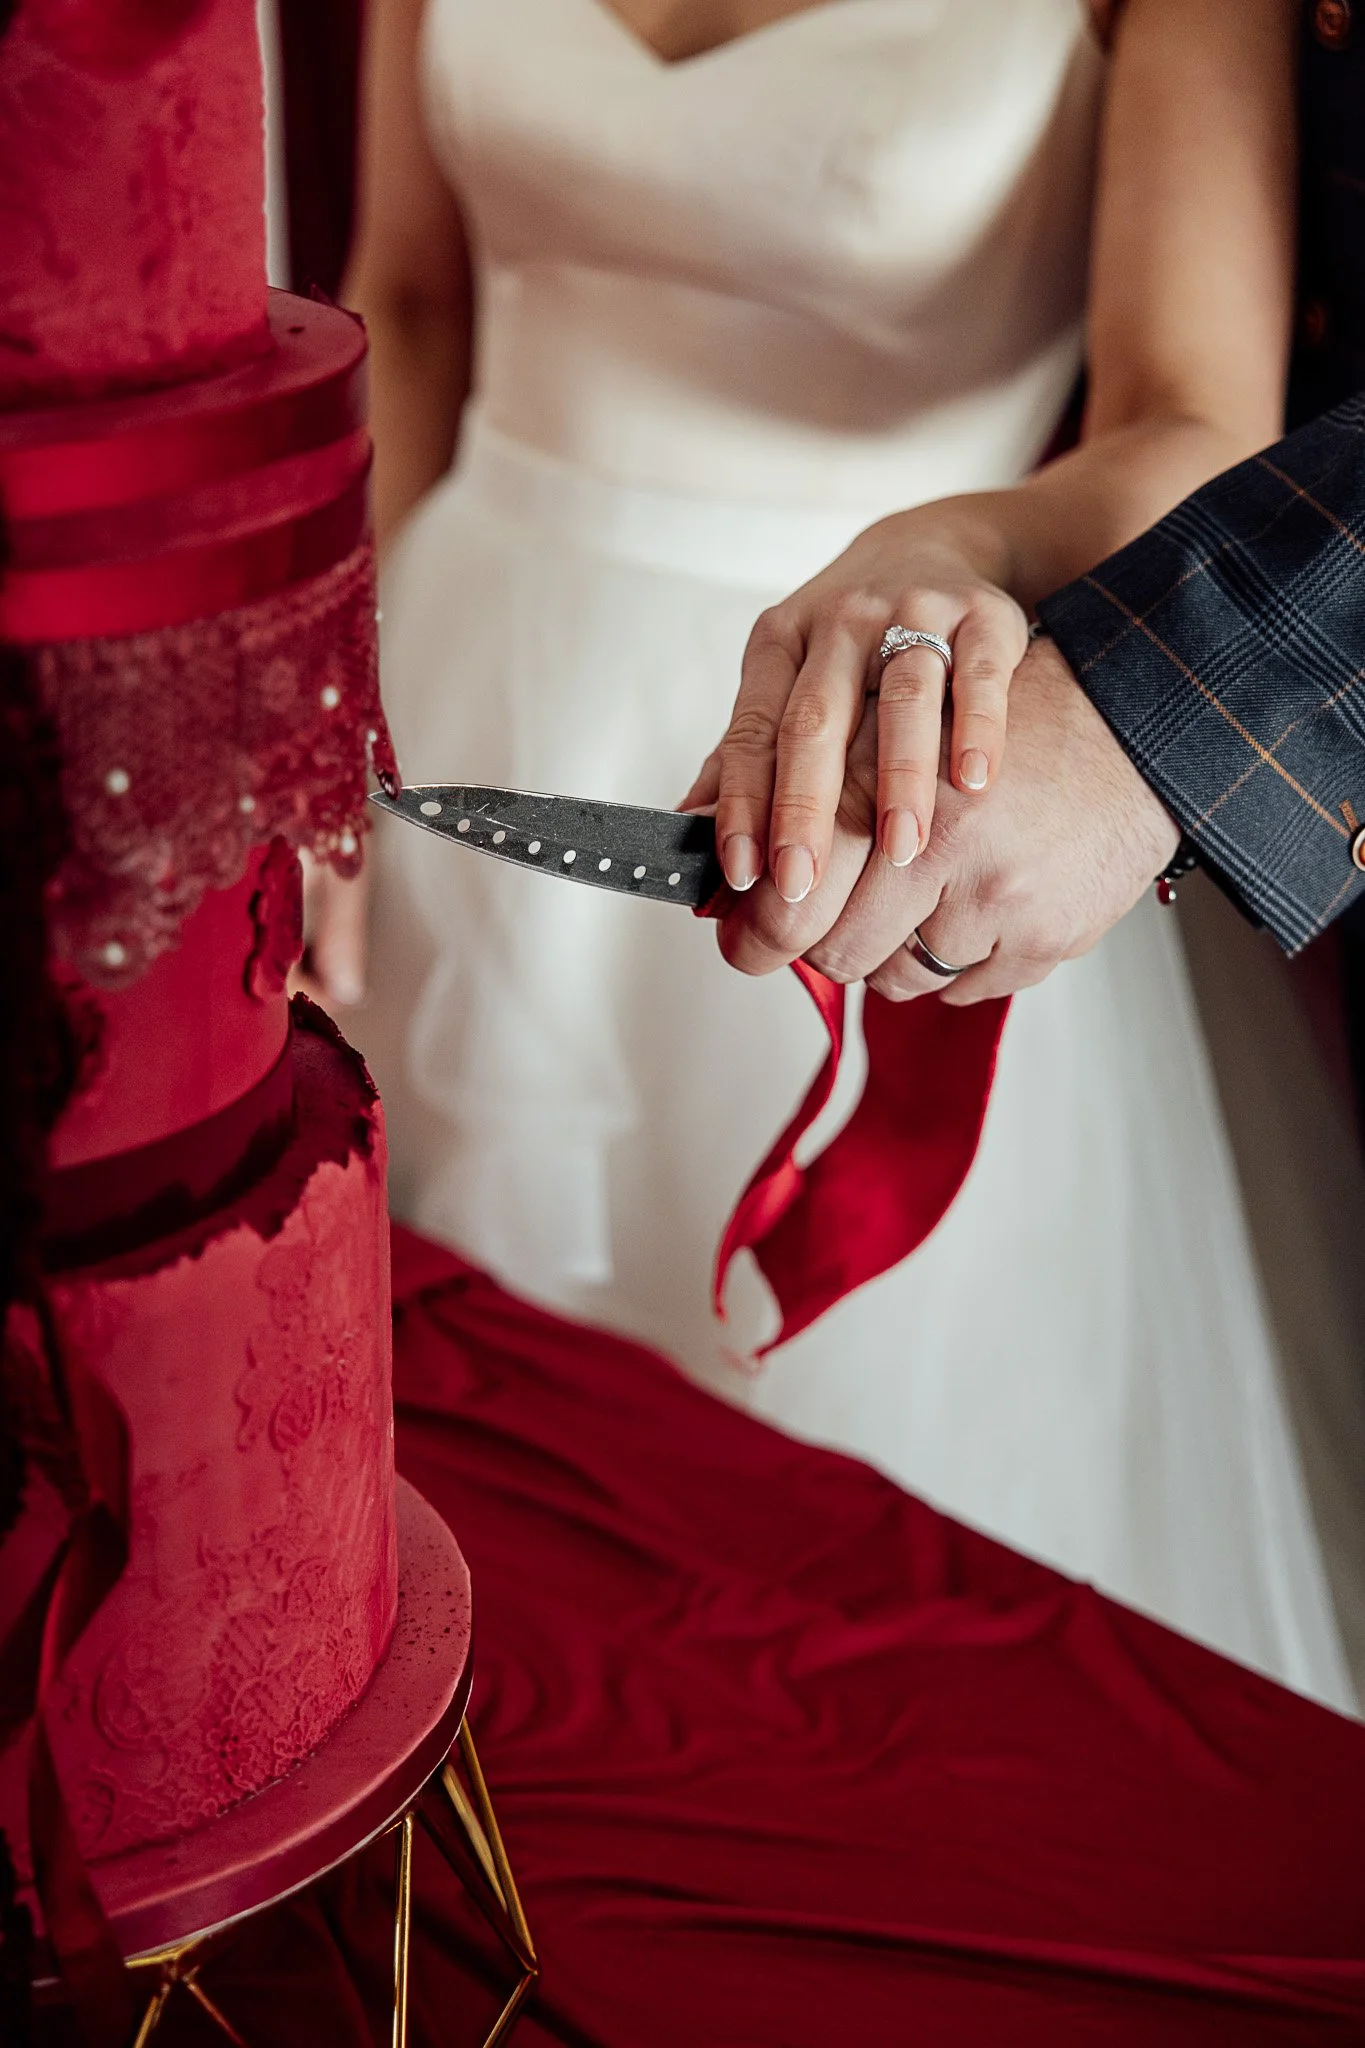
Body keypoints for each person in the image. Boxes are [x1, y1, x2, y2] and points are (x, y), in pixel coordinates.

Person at [333, 0, 1355, 1705]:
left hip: (875, 766)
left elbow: (1196, 416)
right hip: (449, 709)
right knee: (437, 1476)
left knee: (849, 1628)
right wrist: (321, 727)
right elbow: (412, 303)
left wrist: (957, 540)